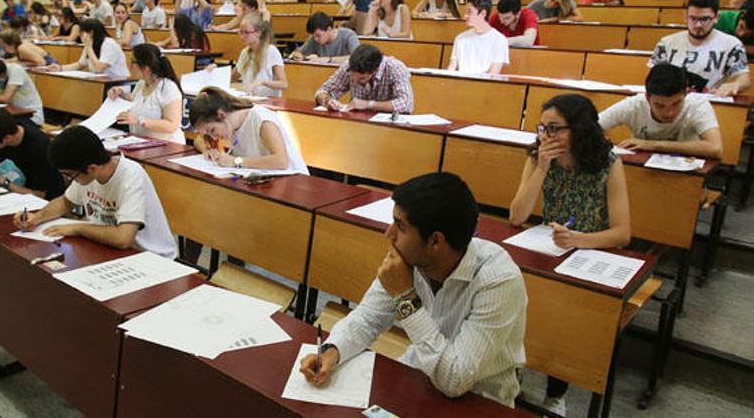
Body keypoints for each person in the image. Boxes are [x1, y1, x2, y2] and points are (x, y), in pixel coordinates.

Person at [299, 172, 526, 407]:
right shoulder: (412, 258)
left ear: (435, 241)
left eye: (400, 226)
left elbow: (455, 380)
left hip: (479, 401)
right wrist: (331, 351)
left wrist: (405, 297)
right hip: (417, 377)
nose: (389, 233)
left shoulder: (499, 280)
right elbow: (368, 318)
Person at [509, 93, 630, 416]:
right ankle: (512, 375)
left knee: (564, 314)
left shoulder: (607, 162)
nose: (546, 137)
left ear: (578, 129)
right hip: (549, 247)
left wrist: (579, 239)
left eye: (555, 129)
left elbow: (622, 232)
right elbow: (517, 216)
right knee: (519, 297)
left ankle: (556, 393)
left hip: (592, 251)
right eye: (543, 128)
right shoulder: (538, 157)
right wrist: (542, 169)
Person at [14, 126, 178, 258]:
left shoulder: (130, 177)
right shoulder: (88, 173)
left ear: (91, 168)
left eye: (70, 175)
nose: (70, 180)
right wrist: (36, 218)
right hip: (111, 251)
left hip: (150, 258)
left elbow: (123, 238)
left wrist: (78, 228)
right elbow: (66, 201)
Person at [599, 64, 723, 159]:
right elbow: (590, 125)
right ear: (647, 98)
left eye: (676, 103)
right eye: (659, 106)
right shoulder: (634, 104)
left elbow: (715, 148)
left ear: (686, 93)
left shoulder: (698, 105)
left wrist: (653, 145)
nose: (669, 112)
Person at [650, 0, 749, 96]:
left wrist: (736, 84)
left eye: (704, 19)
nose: (698, 25)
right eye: (693, 18)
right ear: (685, 16)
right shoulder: (666, 43)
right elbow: (654, 77)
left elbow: (744, 78)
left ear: (716, 18)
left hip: (709, 104)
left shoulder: (732, 44)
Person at [189, 87, 309, 175]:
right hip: (263, 179)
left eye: (212, 130)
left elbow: (281, 161)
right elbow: (199, 139)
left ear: (221, 115)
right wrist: (208, 150)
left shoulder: (262, 120)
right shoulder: (230, 125)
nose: (214, 138)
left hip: (292, 180)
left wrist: (236, 161)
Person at [107, 44, 184, 144]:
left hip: (167, 146)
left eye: (133, 62)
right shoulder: (141, 83)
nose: (130, 66)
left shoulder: (168, 88)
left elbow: (171, 125)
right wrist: (121, 93)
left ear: (146, 67)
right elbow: (137, 102)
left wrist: (140, 120)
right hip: (142, 143)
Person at [314, 44, 414, 114]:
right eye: (353, 75)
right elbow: (323, 91)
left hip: (390, 128)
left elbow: (405, 103)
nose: (355, 80)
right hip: (358, 124)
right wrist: (327, 101)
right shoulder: (349, 66)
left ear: (376, 70)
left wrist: (368, 105)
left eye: (362, 79)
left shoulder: (395, 68)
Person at [447, 0, 509, 75]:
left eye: (470, 12)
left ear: (483, 13)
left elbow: (493, 75)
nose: (465, 15)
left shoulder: (499, 40)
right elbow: (451, 68)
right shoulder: (460, 38)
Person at [227, 13, 286, 97]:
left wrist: (263, 82)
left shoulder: (272, 51)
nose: (242, 36)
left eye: (246, 32)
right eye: (241, 32)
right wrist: (215, 72)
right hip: (251, 99)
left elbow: (283, 84)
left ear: (258, 33)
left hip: (269, 102)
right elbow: (232, 77)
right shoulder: (245, 52)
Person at [49, 19, 129, 78]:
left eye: (81, 32)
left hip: (116, 83)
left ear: (91, 32)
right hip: (99, 80)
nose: (79, 35)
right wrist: (60, 68)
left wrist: (89, 47)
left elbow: (99, 68)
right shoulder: (90, 44)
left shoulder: (109, 43)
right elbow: (80, 64)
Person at [289, 12, 360, 64]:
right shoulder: (314, 38)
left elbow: (357, 59)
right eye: (313, 36)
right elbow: (300, 52)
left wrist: (328, 60)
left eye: (318, 35)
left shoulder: (349, 35)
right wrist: (298, 55)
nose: (315, 39)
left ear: (329, 29)